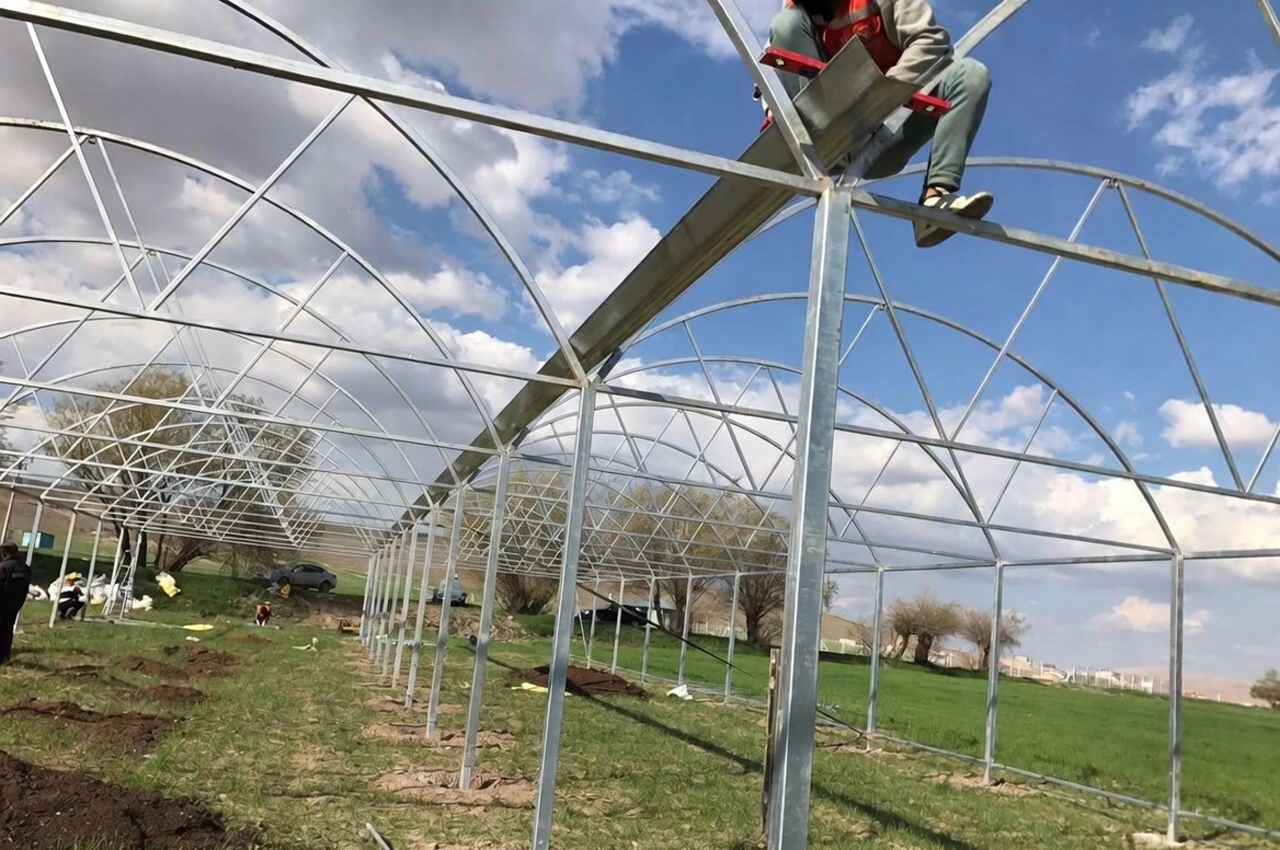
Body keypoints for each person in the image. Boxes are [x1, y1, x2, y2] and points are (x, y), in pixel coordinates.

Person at [767, 0, 994, 248]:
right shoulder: (796, 9)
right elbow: (771, 64)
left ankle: (935, 202)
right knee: (785, 24)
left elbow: (930, 41)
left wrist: (882, 98)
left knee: (969, 75)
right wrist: (774, 110)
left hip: (887, 130)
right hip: (829, 126)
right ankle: (813, 134)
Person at [0, 542, 32, 664]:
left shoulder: (3, 568)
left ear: (4, 553)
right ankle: (4, 657)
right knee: (7, 630)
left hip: (2, 603)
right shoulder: (25, 568)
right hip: (15, 604)